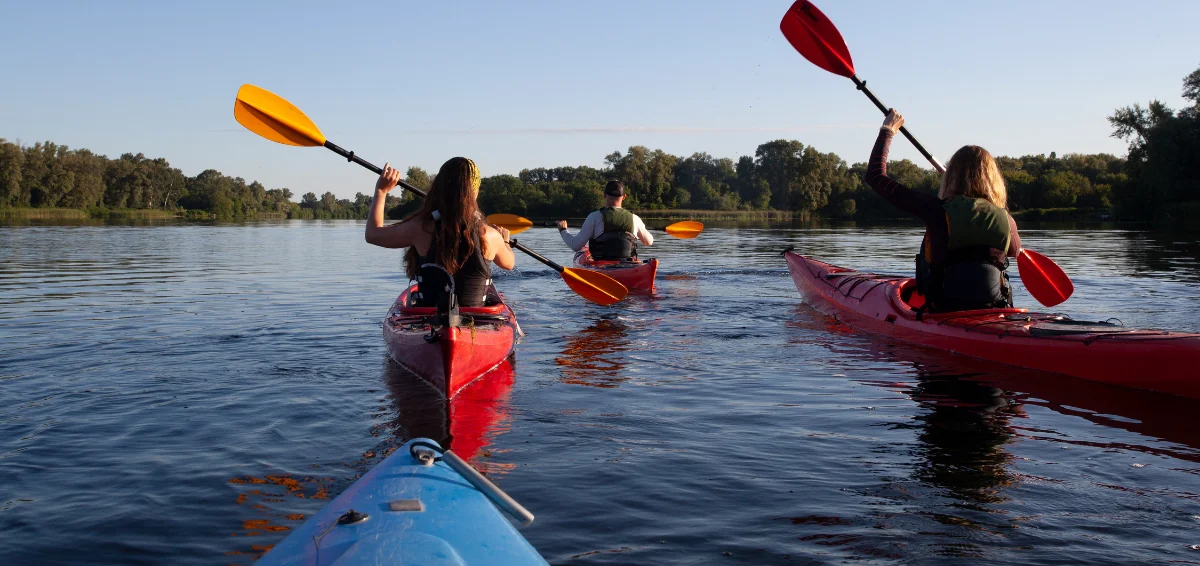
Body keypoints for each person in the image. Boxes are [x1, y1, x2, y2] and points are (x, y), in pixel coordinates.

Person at [865, 109, 1022, 312]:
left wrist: (888, 130)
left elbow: (875, 176)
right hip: (994, 309)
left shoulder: (936, 210)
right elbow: (1015, 251)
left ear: (951, 176)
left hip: (945, 310)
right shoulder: (1006, 219)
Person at [365, 157, 514, 308]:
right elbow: (509, 264)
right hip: (478, 320)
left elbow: (372, 234)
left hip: (428, 320)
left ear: (439, 187)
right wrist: (505, 242)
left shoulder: (420, 228)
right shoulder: (490, 235)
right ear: (475, 192)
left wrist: (381, 191)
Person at [556, 180, 654, 261]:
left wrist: (563, 230)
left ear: (604, 195)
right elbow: (649, 242)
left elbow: (576, 246)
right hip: (627, 265)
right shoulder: (635, 218)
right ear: (624, 197)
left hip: (600, 267)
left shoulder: (594, 217)